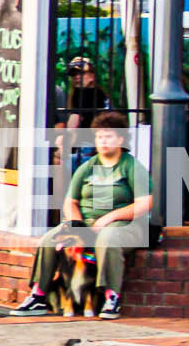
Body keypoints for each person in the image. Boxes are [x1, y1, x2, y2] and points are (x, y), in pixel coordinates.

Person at [12, 111, 152, 320]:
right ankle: (38, 295)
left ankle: (111, 298)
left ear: (121, 140)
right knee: (49, 240)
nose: (103, 141)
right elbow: (71, 202)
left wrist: (109, 218)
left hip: (124, 225)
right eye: (99, 136)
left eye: (109, 136)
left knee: (108, 239)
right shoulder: (87, 167)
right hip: (85, 223)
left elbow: (145, 202)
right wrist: (76, 224)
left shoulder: (131, 167)